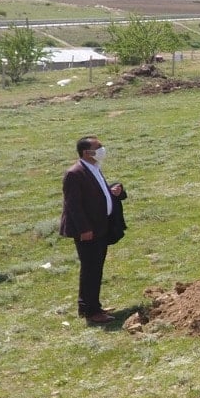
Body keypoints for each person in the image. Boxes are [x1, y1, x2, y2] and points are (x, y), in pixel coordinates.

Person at [59, 136, 127, 323]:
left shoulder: (94, 168)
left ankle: (91, 306)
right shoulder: (75, 173)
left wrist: (112, 191)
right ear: (86, 152)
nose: (102, 149)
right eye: (98, 147)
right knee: (91, 269)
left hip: (100, 226)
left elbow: (95, 193)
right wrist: (84, 229)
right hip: (88, 231)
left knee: (95, 268)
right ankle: (91, 312)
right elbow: (73, 205)